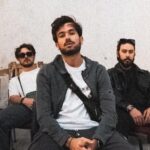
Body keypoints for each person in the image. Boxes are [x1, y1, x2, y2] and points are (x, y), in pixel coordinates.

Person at [29, 16, 133, 150]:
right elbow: (44, 117)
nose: (67, 37)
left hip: (94, 129)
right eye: (61, 35)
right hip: (58, 131)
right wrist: (69, 141)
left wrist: (98, 140)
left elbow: (110, 113)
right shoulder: (46, 73)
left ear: (81, 39)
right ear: (57, 44)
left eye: (71, 33)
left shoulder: (98, 70)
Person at [0, 43, 40, 150]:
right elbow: (13, 97)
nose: (26, 57)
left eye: (29, 54)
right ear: (18, 58)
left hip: (45, 105)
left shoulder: (43, 71)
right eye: (22, 55)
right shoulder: (15, 80)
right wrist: (24, 100)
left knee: (40, 119)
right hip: (27, 108)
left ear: (34, 55)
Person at [108, 38, 150, 138]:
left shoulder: (145, 75)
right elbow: (111, 95)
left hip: (144, 114)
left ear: (134, 54)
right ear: (118, 54)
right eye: (124, 51)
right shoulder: (109, 74)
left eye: (131, 52)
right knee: (116, 115)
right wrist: (130, 108)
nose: (127, 55)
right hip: (124, 115)